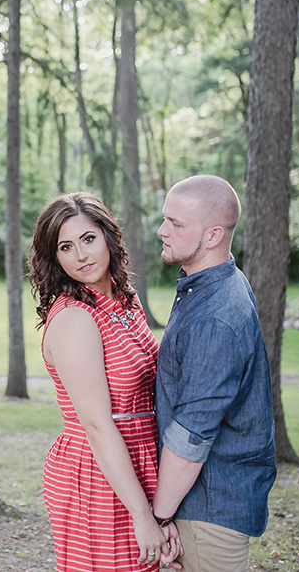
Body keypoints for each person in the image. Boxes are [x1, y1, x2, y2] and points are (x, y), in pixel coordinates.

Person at [28, 192, 181, 572]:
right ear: (55, 258)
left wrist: (161, 505)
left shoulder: (125, 301)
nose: (81, 255)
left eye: (88, 239)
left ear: (108, 237)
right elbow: (97, 426)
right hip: (98, 472)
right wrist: (143, 516)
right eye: (66, 246)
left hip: (141, 460)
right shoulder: (74, 319)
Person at [151, 174, 277, 572]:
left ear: (212, 236)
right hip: (207, 504)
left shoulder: (215, 316)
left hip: (207, 509)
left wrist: (159, 517)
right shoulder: (213, 283)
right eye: (164, 218)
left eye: (176, 223)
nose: (162, 230)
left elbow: (192, 435)